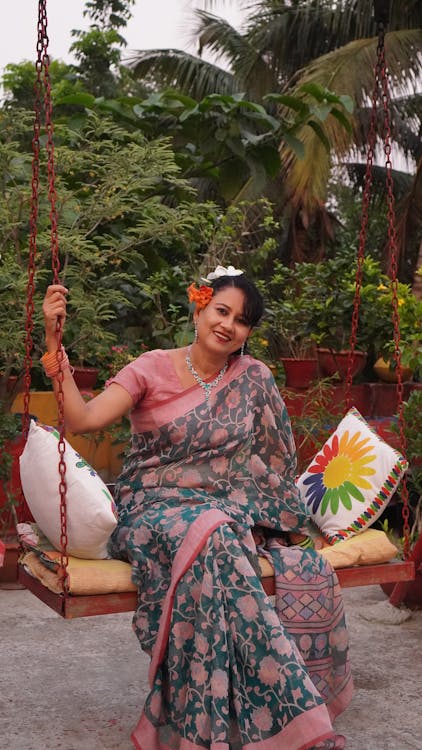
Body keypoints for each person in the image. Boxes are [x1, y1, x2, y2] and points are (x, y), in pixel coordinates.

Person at [42, 265, 353, 750]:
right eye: (221, 310)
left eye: (242, 320)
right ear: (199, 306)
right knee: (217, 534)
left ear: (248, 332)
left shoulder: (254, 378)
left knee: (220, 536)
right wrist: (54, 345)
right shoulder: (150, 367)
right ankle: (294, 721)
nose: (229, 325)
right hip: (150, 508)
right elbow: (82, 420)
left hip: (222, 515)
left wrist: (282, 523)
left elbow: (274, 458)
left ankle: (211, 722)